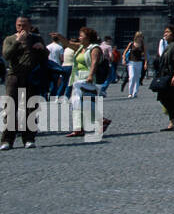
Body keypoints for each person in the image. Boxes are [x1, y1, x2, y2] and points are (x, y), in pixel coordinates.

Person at [50, 25, 113, 138]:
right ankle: (80, 127)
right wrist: (60, 37)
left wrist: (90, 75)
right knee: (77, 103)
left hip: (87, 78)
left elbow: (94, 63)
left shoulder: (95, 49)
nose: (79, 38)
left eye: (81, 36)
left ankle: (97, 121)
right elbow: (68, 44)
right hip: (77, 77)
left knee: (83, 103)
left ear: (88, 38)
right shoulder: (80, 47)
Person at [2, 16, 42, 149]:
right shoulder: (10, 39)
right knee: (10, 107)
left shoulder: (36, 38)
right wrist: (17, 42)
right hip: (14, 76)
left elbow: (45, 57)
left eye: (24, 25)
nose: (21, 28)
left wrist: (42, 48)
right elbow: (6, 55)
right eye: (19, 25)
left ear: (29, 26)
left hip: (31, 76)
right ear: (15, 25)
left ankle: (29, 138)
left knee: (30, 108)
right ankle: (7, 140)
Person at [124, 32, 145, 99]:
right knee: (132, 77)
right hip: (131, 62)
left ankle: (135, 93)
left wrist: (146, 63)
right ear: (136, 37)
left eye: (141, 37)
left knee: (137, 78)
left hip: (139, 62)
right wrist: (124, 59)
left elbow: (145, 55)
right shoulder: (131, 44)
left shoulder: (142, 45)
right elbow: (125, 52)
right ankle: (130, 93)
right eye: (139, 36)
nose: (140, 38)